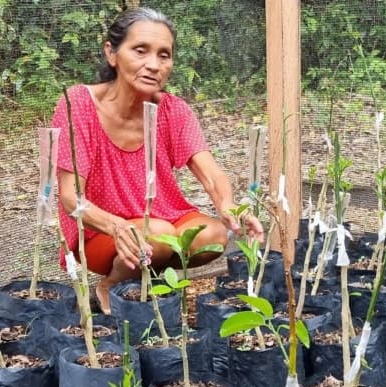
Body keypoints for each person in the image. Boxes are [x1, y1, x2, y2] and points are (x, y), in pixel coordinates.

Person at [53, 7, 263, 314]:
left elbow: (211, 174)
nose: (154, 65)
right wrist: (118, 226)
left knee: (213, 237)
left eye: (164, 55)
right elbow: (72, 198)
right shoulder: (79, 104)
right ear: (112, 53)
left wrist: (229, 206)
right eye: (140, 51)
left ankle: (146, 276)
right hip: (101, 230)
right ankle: (110, 285)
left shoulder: (173, 110)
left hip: (162, 219)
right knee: (158, 236)